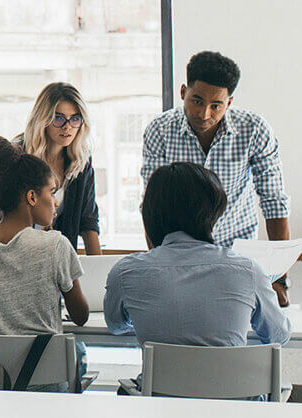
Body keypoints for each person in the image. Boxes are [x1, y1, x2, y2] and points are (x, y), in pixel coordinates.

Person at [142, 51, 291, 305]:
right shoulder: (160, 130)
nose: (204, 114)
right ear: (182, 93)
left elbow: (274, 202)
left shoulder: (254, 130)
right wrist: (160, 266)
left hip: (239, 258)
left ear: (229, 103)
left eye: (216, 106)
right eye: (197, 101)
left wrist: (279, 280)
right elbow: (152, 205)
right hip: (180, 259)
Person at [105, 161, 290, 349]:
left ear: (150, 213)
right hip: (231, 379)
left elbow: (116, 326)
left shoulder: (125, 272)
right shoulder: (248, 270)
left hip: (161, 379)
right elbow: (278, 335)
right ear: (213, 214)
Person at [0, 136, 89, 346]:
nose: (55, 201)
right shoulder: (55, 245)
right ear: (32, 197)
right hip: (43, 375)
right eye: (51, 192)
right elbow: (80, 316)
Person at [0, 82, 101, 254]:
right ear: (43, 119)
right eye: (59, 118)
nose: (67, 126)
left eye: (75, 118)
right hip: (16, 254)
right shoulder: (18, 155)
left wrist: (100, 274)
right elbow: (1, 218)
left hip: (59, 259)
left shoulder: (82, 160)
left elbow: (88, 222)